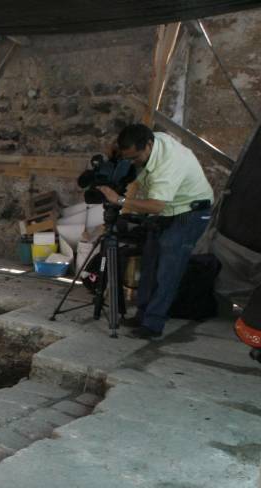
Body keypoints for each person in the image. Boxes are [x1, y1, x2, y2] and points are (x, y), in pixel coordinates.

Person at [97, 123, 214, 340]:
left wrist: (120, 200)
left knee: (168, 268)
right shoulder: (150, 140)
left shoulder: (168, 164)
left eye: (135, 158)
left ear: (148, 145)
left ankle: (153, 324)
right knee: (149, 262)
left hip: (190, 212)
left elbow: (156, 205)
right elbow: (136, 181)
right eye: (128, 158)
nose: (132, 163)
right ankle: (143, 315)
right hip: (168, 210)